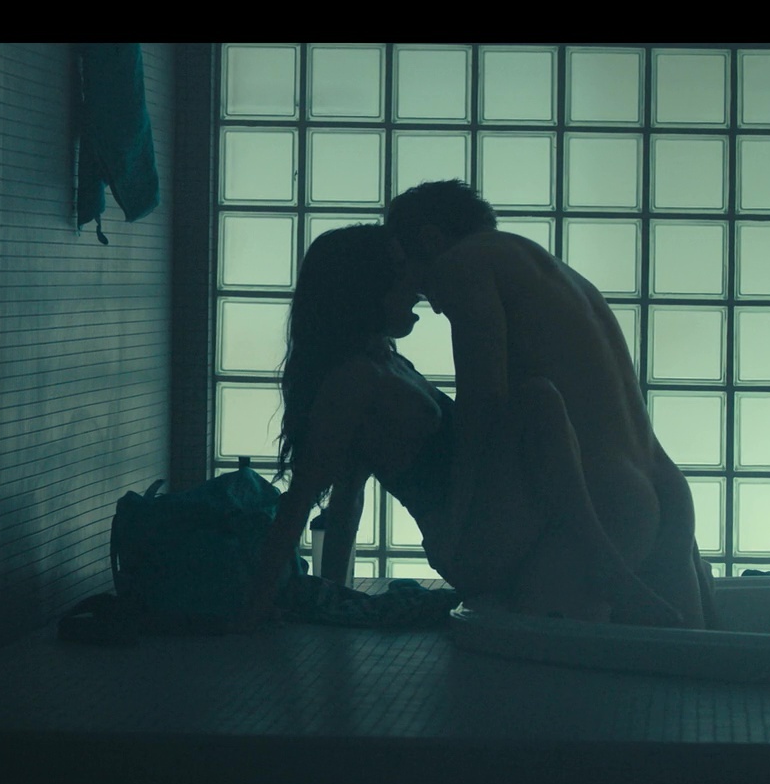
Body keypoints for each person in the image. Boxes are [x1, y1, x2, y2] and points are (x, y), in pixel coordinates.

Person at [231, 224, 688, 630]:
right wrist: (264, 606)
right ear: (365, 287)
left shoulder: (389, 363)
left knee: (536, 396)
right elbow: (311, 495)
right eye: (400, 272)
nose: (417, 286)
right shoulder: (352, 382)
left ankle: (607, 565)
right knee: (536, 397)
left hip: (487, 519)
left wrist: (334, 594)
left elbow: (349, 494)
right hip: (467, 542)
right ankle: (609, 567)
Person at [383, 180, 717, 628]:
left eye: (409, 271)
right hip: (665, 487)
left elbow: (484, 398)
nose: (425, 296)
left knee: (543, 665)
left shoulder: (463, 263)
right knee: (684, 668)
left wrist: (458, 519)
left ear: (429, 239)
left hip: (604, 497)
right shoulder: (557, 273)